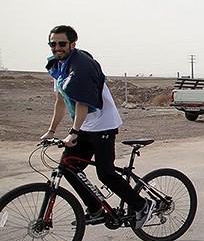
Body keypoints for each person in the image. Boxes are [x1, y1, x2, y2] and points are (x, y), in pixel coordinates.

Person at [41, 25, 155, 229]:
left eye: (62, 43)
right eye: (53, 44)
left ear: (73, 44)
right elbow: (60, 102)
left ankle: (142, 205)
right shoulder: (59, 68)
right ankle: (96, 208)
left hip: (103, 126)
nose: (57, 47)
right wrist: (51, 130)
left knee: (106, 173)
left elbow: (82, 103)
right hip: (85, 125)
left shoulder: (81, 67)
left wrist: (73, 132)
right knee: (69, 167)